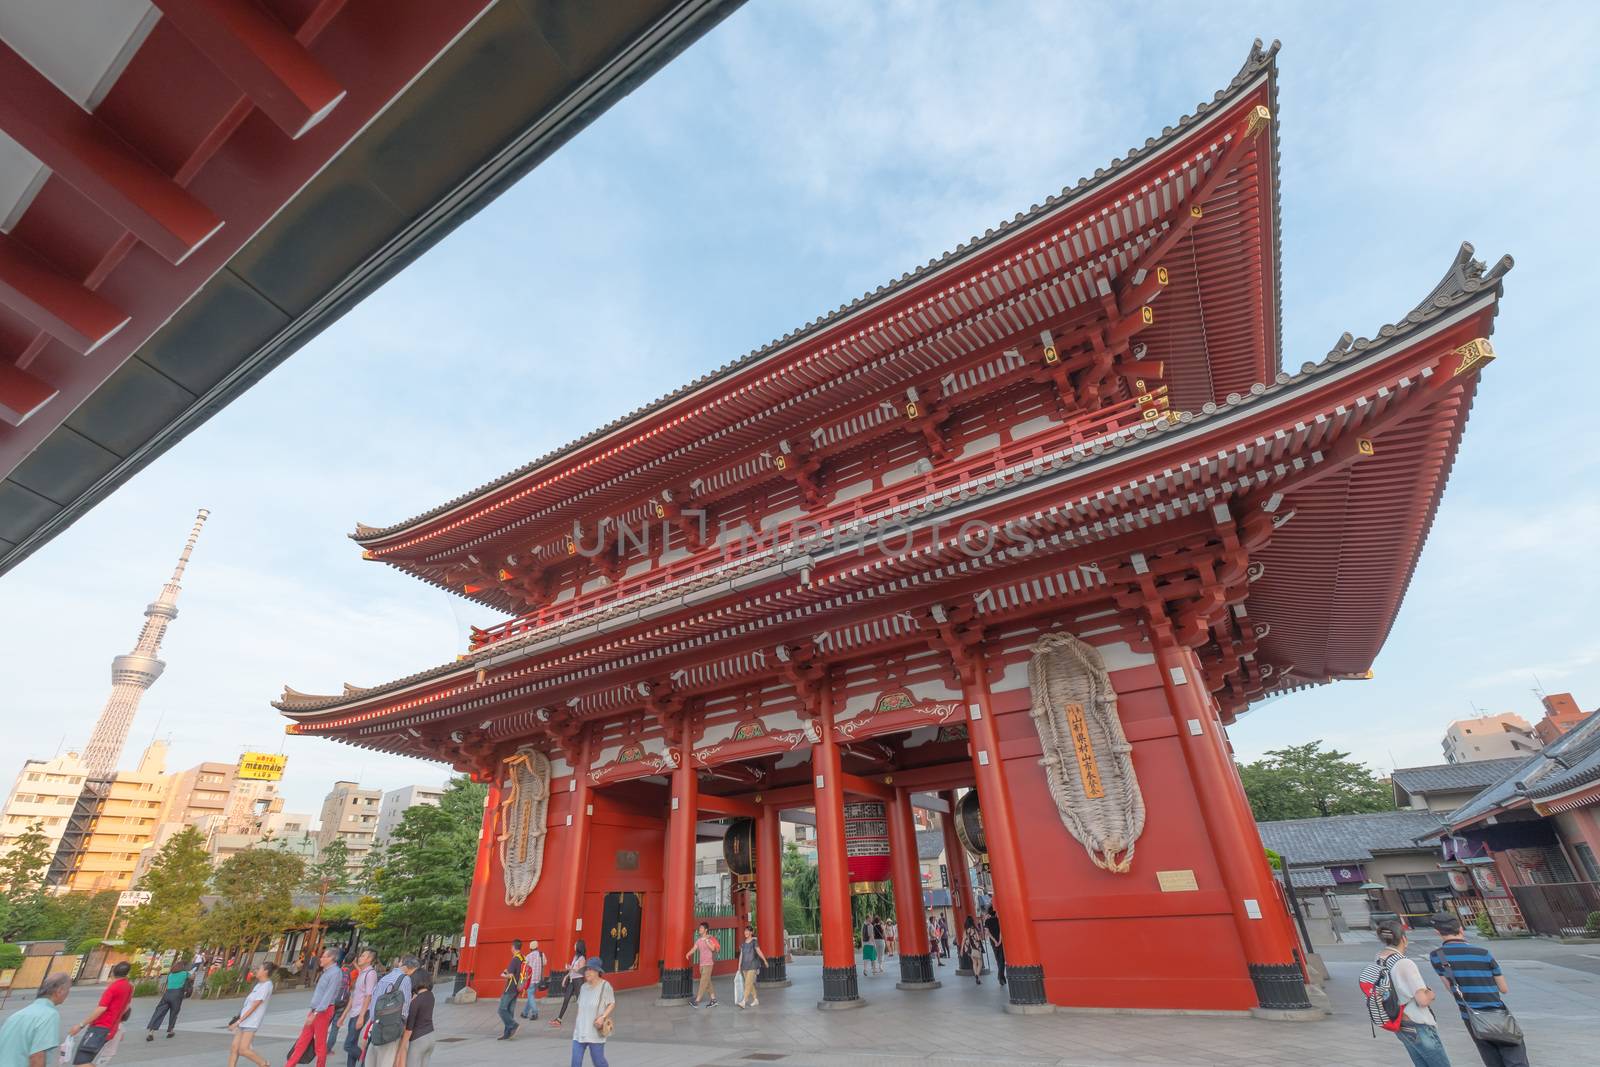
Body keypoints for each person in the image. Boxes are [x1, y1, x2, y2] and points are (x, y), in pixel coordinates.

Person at [1428, 914, 1528, 1067]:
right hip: (1497, 1012)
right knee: (1515, 1055)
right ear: (1460, 929)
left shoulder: (1437, 956)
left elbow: (1450, 988)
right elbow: (1503, 988)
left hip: (1471, 1016)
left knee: (1491, 1059)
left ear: (1437, 932)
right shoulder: (1483, 953)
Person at [1374, 922, 1452, 1067]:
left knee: (1421, 1063)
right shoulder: (1404, 963)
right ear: (1403, 938)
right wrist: (1431, 994)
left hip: (1398, 1020)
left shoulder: (1379, 959)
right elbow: (1422, 1000)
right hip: (1416, 1021)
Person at [282, 948, 344, 1067]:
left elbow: (328, 996)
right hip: (316, 1010)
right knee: (302, 1041)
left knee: (319, 1044)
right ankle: (289, 1065)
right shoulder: (327, 971)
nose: (321, 958)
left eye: (324, 956)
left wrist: (315, 1014)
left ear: (331, 958)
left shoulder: (335, 973)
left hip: (323, 1011)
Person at [66, 960, 133, 1065]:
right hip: (111, 1029)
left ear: (112, 973)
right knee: (87, 1060)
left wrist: (80, 1025)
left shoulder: (112, 988)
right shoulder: (128, 987)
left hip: (99, 1028)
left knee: (81, 1062)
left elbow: (101, 1008)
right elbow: (127, 1007)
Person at [0, 972, 71, 1067]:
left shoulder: (16, 1016)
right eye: (68, 990)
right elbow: (37, 1057)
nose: (68, 994)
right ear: (59, 991)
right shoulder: (49, 1015)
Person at [363, 956, 419, 1067]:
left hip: (376, 1023)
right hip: (391, 1025)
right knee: (386, 1060)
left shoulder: (386, 977)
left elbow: (374, 1000)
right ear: (411, 968)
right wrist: (403, 1025)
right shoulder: (405, 979)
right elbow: (404, 1006)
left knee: (373, 1059)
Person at [570, 957, 616, 1067]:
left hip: (595, 1031)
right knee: (575, 1063)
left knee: (599, 1062)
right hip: (580, 1031)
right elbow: (580, 1007)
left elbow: (612, 1003)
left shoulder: (605, 986)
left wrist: (603, 1017)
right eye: (586, 969)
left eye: (590, 969)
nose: (587, 972)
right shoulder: (583, 987)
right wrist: (577, 1026)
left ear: (597, 972)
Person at [336, 948, 379, 1067]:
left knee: (348, 1045)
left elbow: (368, 996)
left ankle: (366, 1062)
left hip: (362, 1012)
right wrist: (343, 1016)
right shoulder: (362, 973)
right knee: (352, 1043)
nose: (359, 957)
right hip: (355, 1012)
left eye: (363, 956)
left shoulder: (371, 974)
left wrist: (361, 1017)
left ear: (369, 959)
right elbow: (353, 997)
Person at [226, 962, 274, 1067]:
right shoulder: (259, 985)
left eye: (259, 968)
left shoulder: (267, 986)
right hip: (244, 1020)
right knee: (234, 1048)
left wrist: (238, 1022)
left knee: (243, 1050)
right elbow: (247, 1005)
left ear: (265, 971)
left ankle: (264, 1064)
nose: (257, 971)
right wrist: (237, 1020)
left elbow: (254, 1007)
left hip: (251, 1022)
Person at [394, 971, 437, 1067]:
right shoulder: (430, 995)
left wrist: (401, 1049)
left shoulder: (415, 1002)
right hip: (430, 1036)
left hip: (418, 1040)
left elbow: (409, 1029)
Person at [144, 959, 192, 1041]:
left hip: (167, 994)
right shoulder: (185, 973)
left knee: (159, 1012)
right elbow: (191, 978)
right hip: (177, 994)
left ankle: (151, 1033)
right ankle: (170, 1031)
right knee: (174, 1013)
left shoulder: (170, 974)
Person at [547, 941, 588, 1028]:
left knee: (580, 1001)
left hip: (578, 981)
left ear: (578, 947)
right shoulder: (575, 957)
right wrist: (566, 976)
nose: (574, 946)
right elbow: (573, 969)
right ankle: (559, 1019)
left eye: (575, 944)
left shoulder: (582, 959)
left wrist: (571, 968)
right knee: (566, 999)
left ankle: (585, 1020)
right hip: (572, 980)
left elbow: (581, 971)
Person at [497, 939, 527, 1040]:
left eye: (511, 947)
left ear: (513, 947)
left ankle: (513, 1025)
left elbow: (510, 975)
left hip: (510, 987)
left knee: (501, 1009)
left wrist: (503, 975)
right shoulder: (523, 958)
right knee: (510, 1010)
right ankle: (507, 1033)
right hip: (518, 987)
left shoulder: (515, 959)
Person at [687, 922, 720, 1007]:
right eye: (699, 928)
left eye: (701, 928)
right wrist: (688, 954)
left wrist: (707, 941)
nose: (700, 929)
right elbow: (694, 949)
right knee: (707, 982)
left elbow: (713, 949)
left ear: (706, 930)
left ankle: (697, 1001)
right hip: (701, 964)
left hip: (708, 964)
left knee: (703, 982)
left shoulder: (709, 939)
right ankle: (713, 1000)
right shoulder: (698, 940)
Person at [735, 926, 767, 1009]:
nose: (746, 932)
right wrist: (739, 965)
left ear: (751, 932)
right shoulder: (743, 943)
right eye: (745, 931)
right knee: (749, 983)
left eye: (748, 931)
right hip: (744, 966)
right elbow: (741, 955)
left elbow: (758, 951)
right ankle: (755, 999)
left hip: (753, 965)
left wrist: (765, 960)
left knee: (747, 983)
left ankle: (743, 1001)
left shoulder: (754, 942)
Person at [519, 939, 547, 1020]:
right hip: (538, 979)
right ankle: (525, 1013)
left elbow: (524, 966)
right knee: (531, 996)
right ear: (537, 947)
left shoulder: (528, 956)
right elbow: (545, 963)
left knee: (530, 995)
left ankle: (535, 1012)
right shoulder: (542, 954)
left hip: (530, 979)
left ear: (530, 948)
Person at [984, 907, 1006, 987]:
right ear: (995, 913)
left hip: (993, 943)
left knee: (997, 959)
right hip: (1000, 941)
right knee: (1002, 959)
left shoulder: (987, 921)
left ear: (989, 913)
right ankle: (1001, 977)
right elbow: (1001, 931)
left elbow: (987, 933)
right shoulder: (998, 920)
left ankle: (1000, 977)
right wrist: (999, 940)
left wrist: (994, 941)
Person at [963, 916, 987, 985]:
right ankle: (977, 975)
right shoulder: (974, 929)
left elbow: (965, 940)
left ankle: (977, 978)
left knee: (974, 963)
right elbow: (978, 939)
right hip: (976, 947)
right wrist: (979, 947)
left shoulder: (966, 930)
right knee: (980, 963)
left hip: (971, 949)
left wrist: (963, 949)